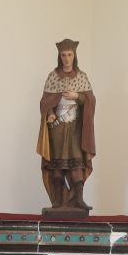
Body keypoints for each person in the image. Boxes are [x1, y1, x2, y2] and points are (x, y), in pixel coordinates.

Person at [37, 39, 96, 213]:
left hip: (75, 127)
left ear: (74, 55)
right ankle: (57, 201)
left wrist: (77, 96)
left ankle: (78, 200)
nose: (66, 58)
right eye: (63, 55)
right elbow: (45, 102)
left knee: (77, 163)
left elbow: (91, 100)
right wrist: (50, 113)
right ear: (59, 56)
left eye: (69, 54)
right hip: (58, 127)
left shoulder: (81, 77)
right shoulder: (53, 77)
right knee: (57, 165)